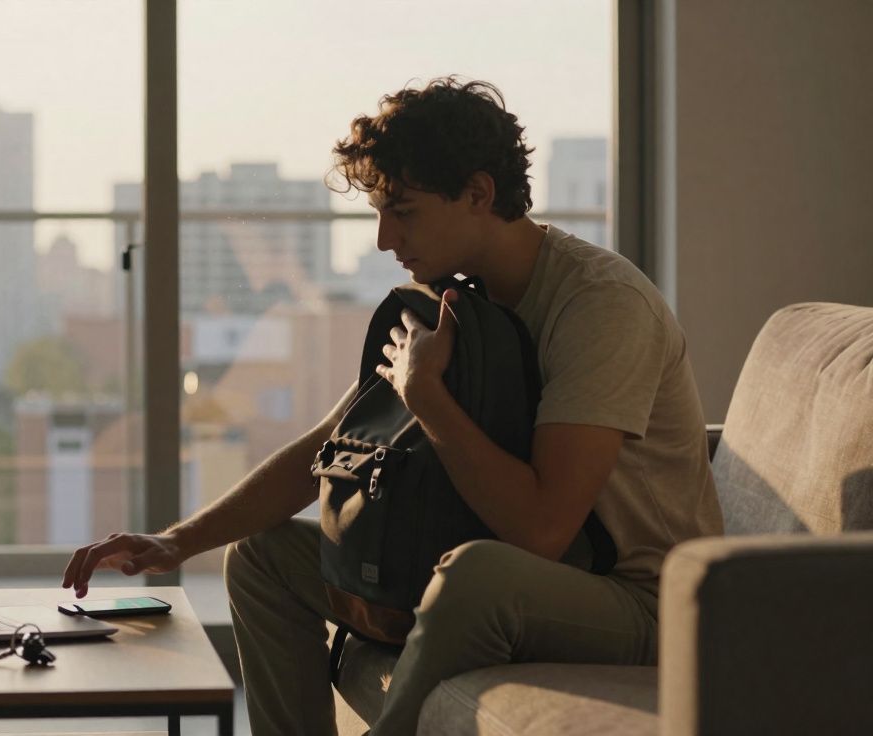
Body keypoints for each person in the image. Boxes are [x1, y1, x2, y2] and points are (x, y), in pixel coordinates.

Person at [62, 77, 724, 735]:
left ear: (478, 194)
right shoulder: (456, 299)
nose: (383, 239)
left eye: (403, 211)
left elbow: (544, 530)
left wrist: (427, 399)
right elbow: (330, 446)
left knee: (476, 574)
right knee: (261, 553)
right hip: (511, 566)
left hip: (646, 601)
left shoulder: (601, 307)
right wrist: (176, 541)